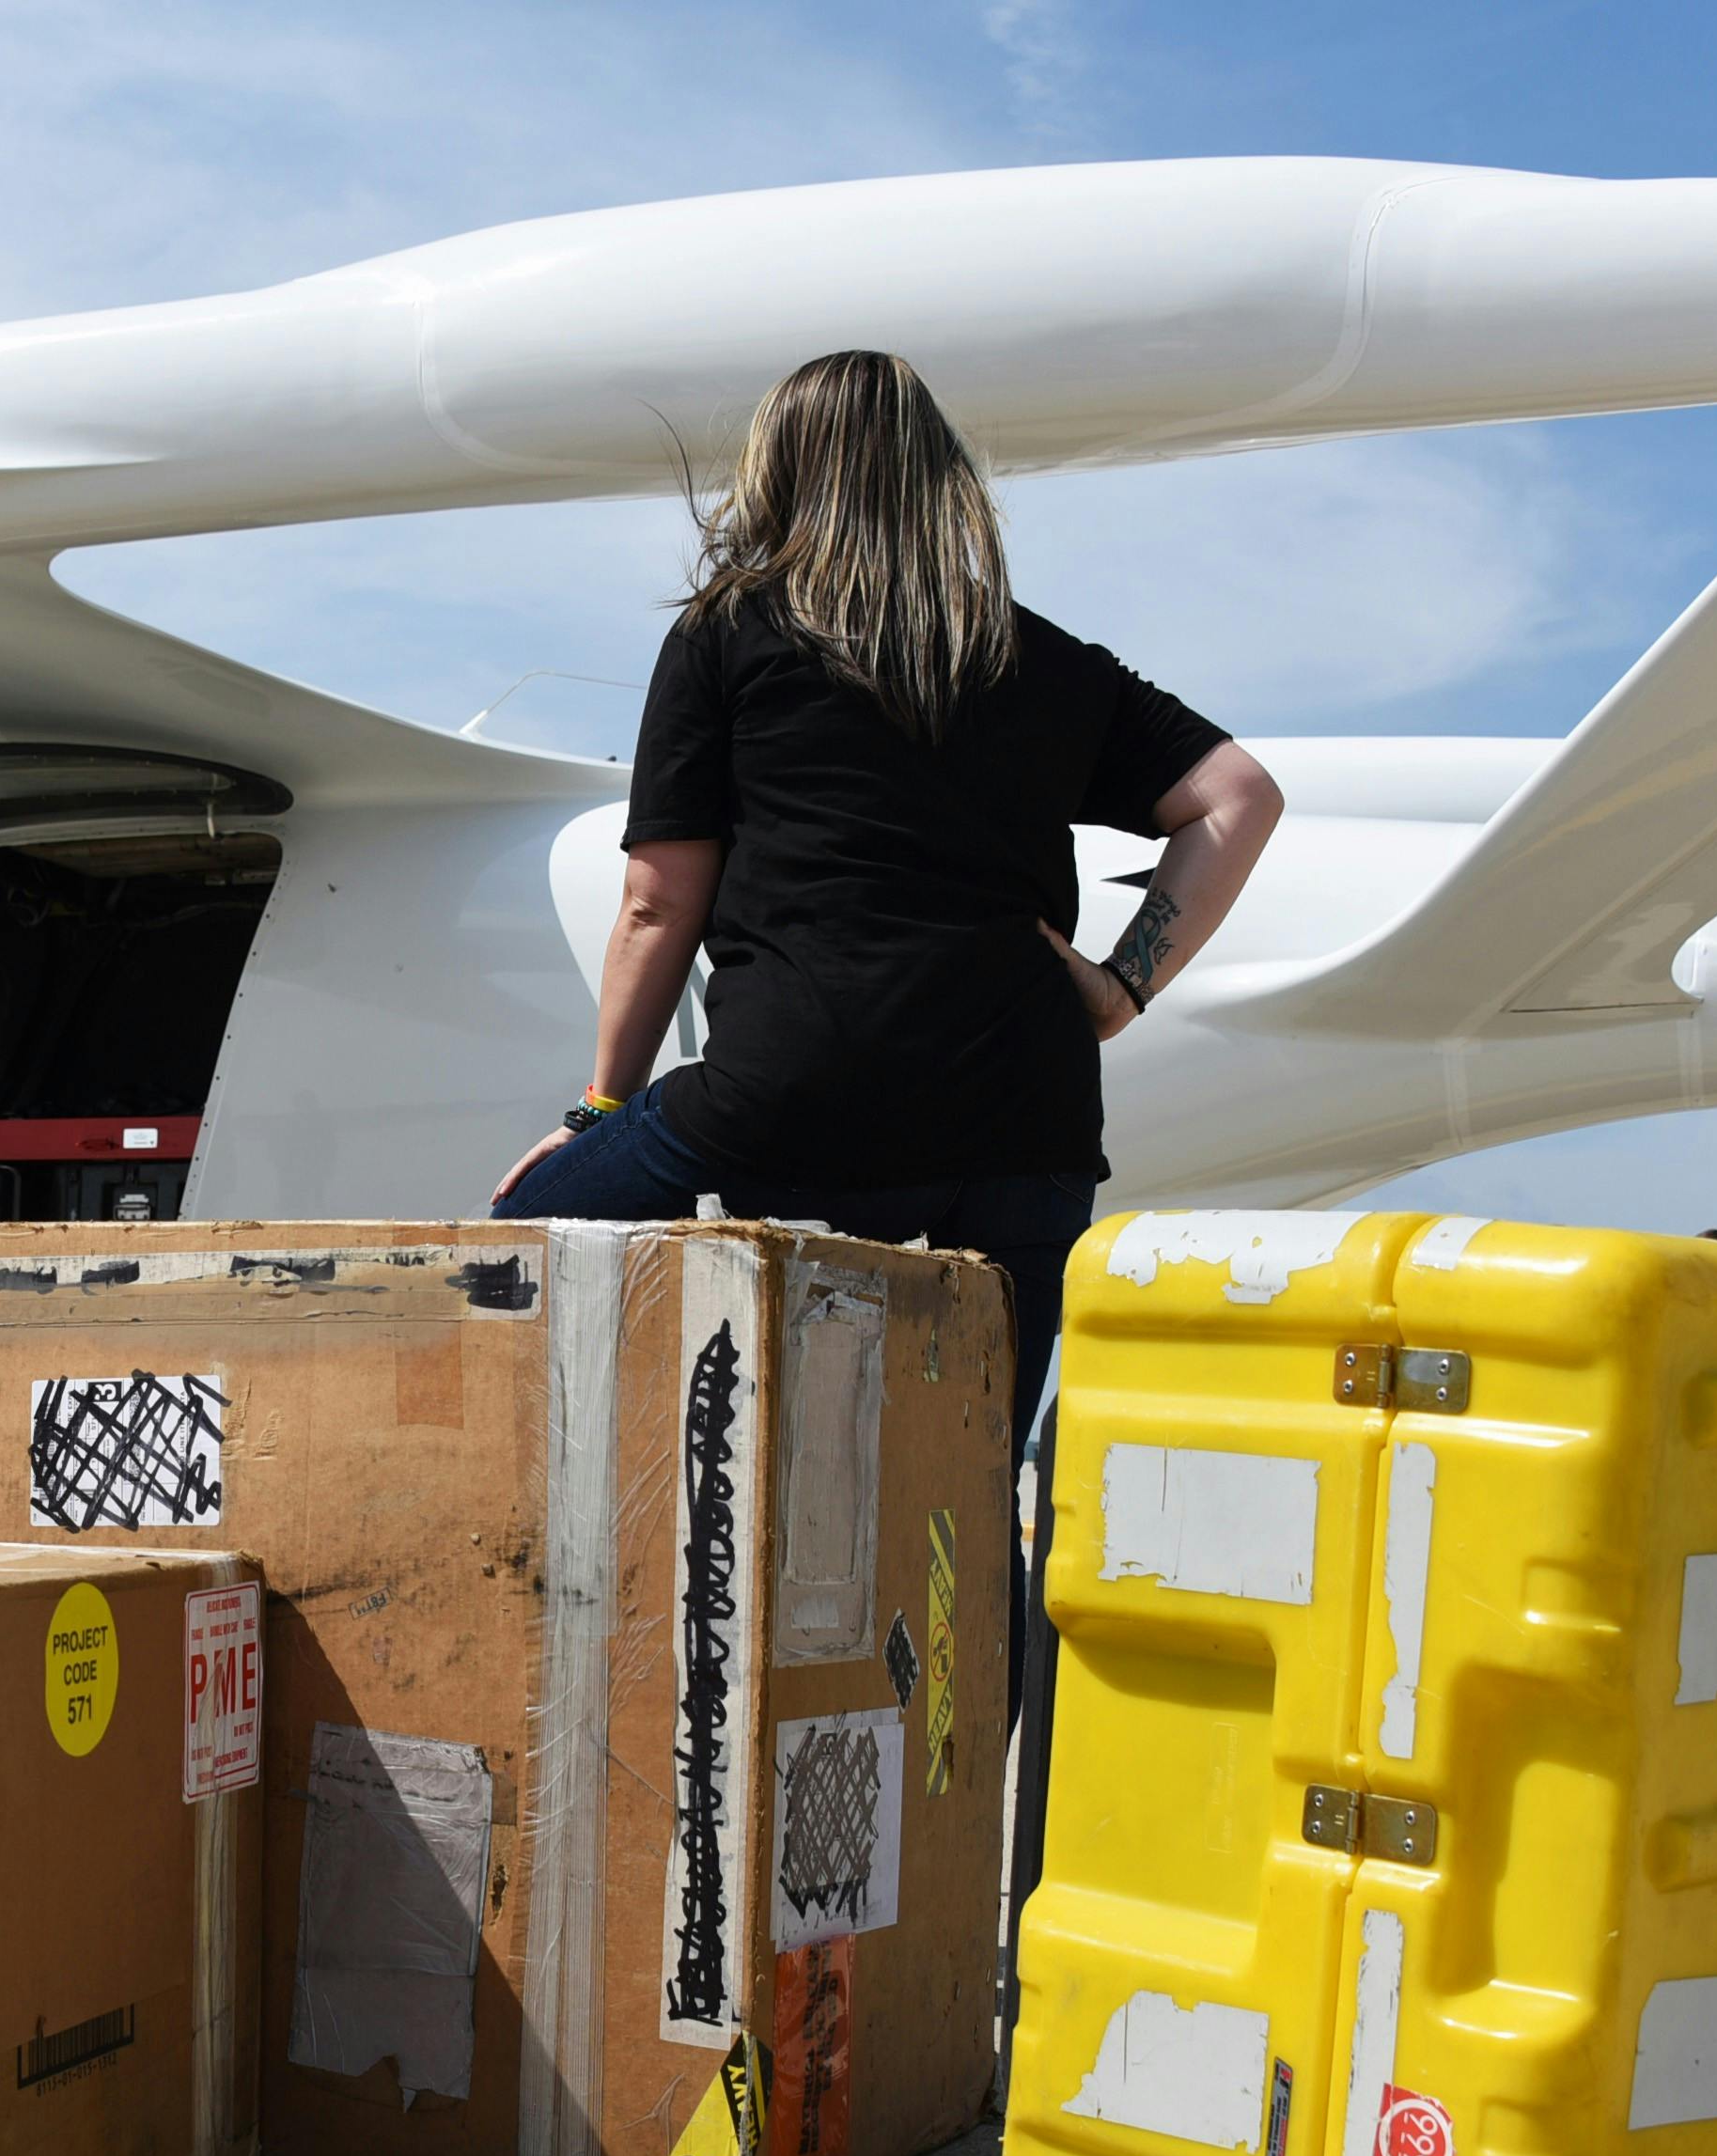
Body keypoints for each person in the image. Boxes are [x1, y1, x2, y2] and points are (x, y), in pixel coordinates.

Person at [491, 350, 1282, 1456]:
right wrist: (1119, 988)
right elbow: (1237, 796)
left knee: (507, 1257)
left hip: (795, 1094)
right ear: (942, 478)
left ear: (777, 474)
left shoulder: (728, 632)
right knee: (961, 1472)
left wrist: (603, 1110)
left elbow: (657, 905)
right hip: (1025, 1119)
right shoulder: (1037, 655)